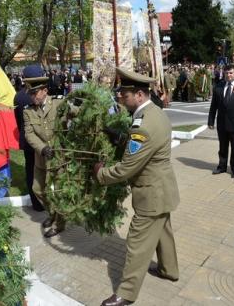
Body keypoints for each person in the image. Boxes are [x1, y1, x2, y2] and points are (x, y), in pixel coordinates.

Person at [95, 67, 179, 306]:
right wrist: (123, 139)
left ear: (140, 95)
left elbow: (126, 168)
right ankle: (169, 270)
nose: (121, 97)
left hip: (151, 194)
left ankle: (126, 293)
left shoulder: (143, 124)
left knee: (136, 244)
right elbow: (147, 148)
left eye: (125, 94)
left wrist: (101, 174)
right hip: (163, 189)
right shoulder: (155, 112)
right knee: (163, 232)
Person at [23, 65, 77, 238]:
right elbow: (29, 134)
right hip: (41, 158)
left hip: (59, 158)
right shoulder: (28, 111)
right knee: (37, 189)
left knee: (59, 191)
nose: (31, 97)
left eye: (34, 93)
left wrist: (80, 110)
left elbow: (76, 113)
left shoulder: (59, 103)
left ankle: (59, 224)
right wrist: (43, 148)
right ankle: (52, 213)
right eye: (30, 93)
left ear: (44, 91)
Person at [14, 66, 46, 212]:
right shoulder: (39, 94)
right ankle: (45, 200)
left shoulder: (18, 96)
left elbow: (18, 121)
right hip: (40, 140)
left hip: (27, 141)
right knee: (42, 170)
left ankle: (36, 203)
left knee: (30, 170)